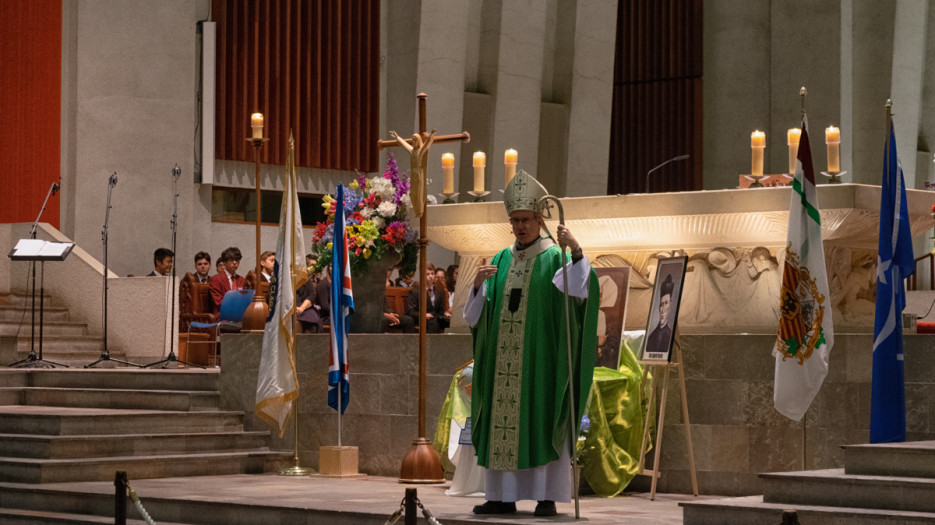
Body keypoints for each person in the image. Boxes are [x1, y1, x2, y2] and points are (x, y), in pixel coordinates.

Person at [463, 170, 599, 517]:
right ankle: (501, 497)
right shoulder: (500, 259)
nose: (520, 226)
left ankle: (546, 496)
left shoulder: (555, 257)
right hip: (501, 367)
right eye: (514, 220)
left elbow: (581, 292)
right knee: (502, 425)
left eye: (525, 219)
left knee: (538, 419)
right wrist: (477, 286)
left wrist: (578, 250)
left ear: (540, 219)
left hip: (540, 361)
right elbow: (475, 316)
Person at [407, 264, 449, 333]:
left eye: (432, 274)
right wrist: (423, 315)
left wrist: (445, 313)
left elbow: (441, 309)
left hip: (436, 317)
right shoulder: (415, 291)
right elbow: (411, 312)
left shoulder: (439, 290)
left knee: (450, 322)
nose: (431, 276)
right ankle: (430, 343)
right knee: (434, 322)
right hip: (423, 319)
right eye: (427, 274)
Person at [645, 273, 674, 356]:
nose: (663, 309)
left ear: (670, 305)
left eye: (666, 303)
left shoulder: (670, 335)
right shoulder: (651, 337)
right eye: (661, 304)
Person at [209, 247, 245, 313]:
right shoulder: (215, 279)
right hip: (223, 314)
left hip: (240, 314)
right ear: (225, 262)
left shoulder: (242, 280)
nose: (234, 262)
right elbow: (219, 302)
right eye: (231, 260)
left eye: (237, 260)